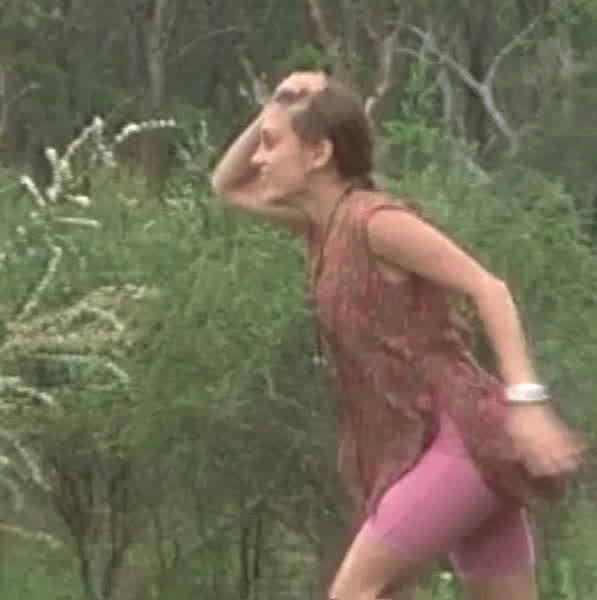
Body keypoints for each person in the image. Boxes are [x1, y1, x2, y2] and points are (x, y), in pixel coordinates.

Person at [210, 71, 586, 600]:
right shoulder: (322, 226)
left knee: (355, 593)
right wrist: (275, 104)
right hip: (436, 445)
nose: (258, 158)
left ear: (318, 153)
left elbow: (489, 288)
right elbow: (227, 186)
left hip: (466, 440)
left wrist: (528, 403)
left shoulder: (375, 221)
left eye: (271, 144)